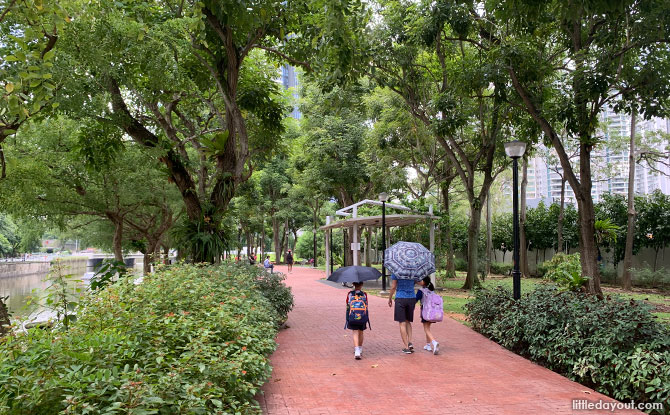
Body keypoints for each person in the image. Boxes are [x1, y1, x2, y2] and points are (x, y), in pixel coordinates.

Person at [388, 273, 417, 354]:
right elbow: (417, 282)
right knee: (408, 321)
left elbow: (393, 286)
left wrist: (390, 298)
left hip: (400, 298)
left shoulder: (396, 272)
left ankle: (406, 347)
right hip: (412, 298)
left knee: (402, 322)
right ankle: (410, 342)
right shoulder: (412, 271)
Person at [416, 276, 440, 355]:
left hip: (425, 312)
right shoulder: (431, 290)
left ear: (423, 282)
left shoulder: (421, 291)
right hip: (432, 312)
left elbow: (415, 299)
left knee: (426, 329)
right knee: (428, 328)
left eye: (420, 280)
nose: (419, 281)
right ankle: (428, 345)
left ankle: (434, 342)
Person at [345, 282, 369, 360]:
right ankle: (360, 347)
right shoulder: (364, 294)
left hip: (353, 316)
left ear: (353, 284)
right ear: (362, 285)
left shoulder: (350, 294)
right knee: (361, 332)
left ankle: (357, 350)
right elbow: (366, 305)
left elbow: (348, 305)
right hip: (362, 316)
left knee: (355, 332)